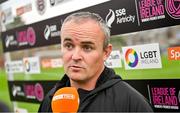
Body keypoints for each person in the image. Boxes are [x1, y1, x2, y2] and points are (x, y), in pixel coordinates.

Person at [38, 12, 154, 112]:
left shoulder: (132, 104)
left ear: (106, 52)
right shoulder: (50, 99)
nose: (75, 56)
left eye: (87, 47)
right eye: (69, 45)